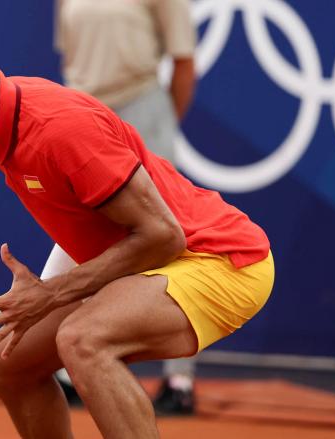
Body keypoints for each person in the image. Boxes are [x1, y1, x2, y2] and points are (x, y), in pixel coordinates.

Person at [0, 12, 274, 439]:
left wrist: (50, 295)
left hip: (221, 260)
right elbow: (85, 217)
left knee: (83, 340)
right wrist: (42, 295)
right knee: (7, 358)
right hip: (156, 256)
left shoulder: (57, 127)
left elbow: (164, 236)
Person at [53, 0, 199, 414]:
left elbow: (184, 64)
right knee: (78, 237)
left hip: (144, 112)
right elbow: (72, 57)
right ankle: (72, 370)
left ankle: (179, 379)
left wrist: (161, 127)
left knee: (172, 241)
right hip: (80, 114)